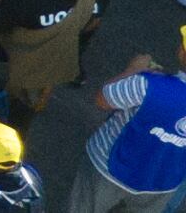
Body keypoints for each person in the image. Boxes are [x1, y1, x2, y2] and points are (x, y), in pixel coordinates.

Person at [74, 26, 186, 213]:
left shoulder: (146, 84)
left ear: (181, 53)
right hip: (162, 182)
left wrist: (133, 69)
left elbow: (103, 99)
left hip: (108, 166)